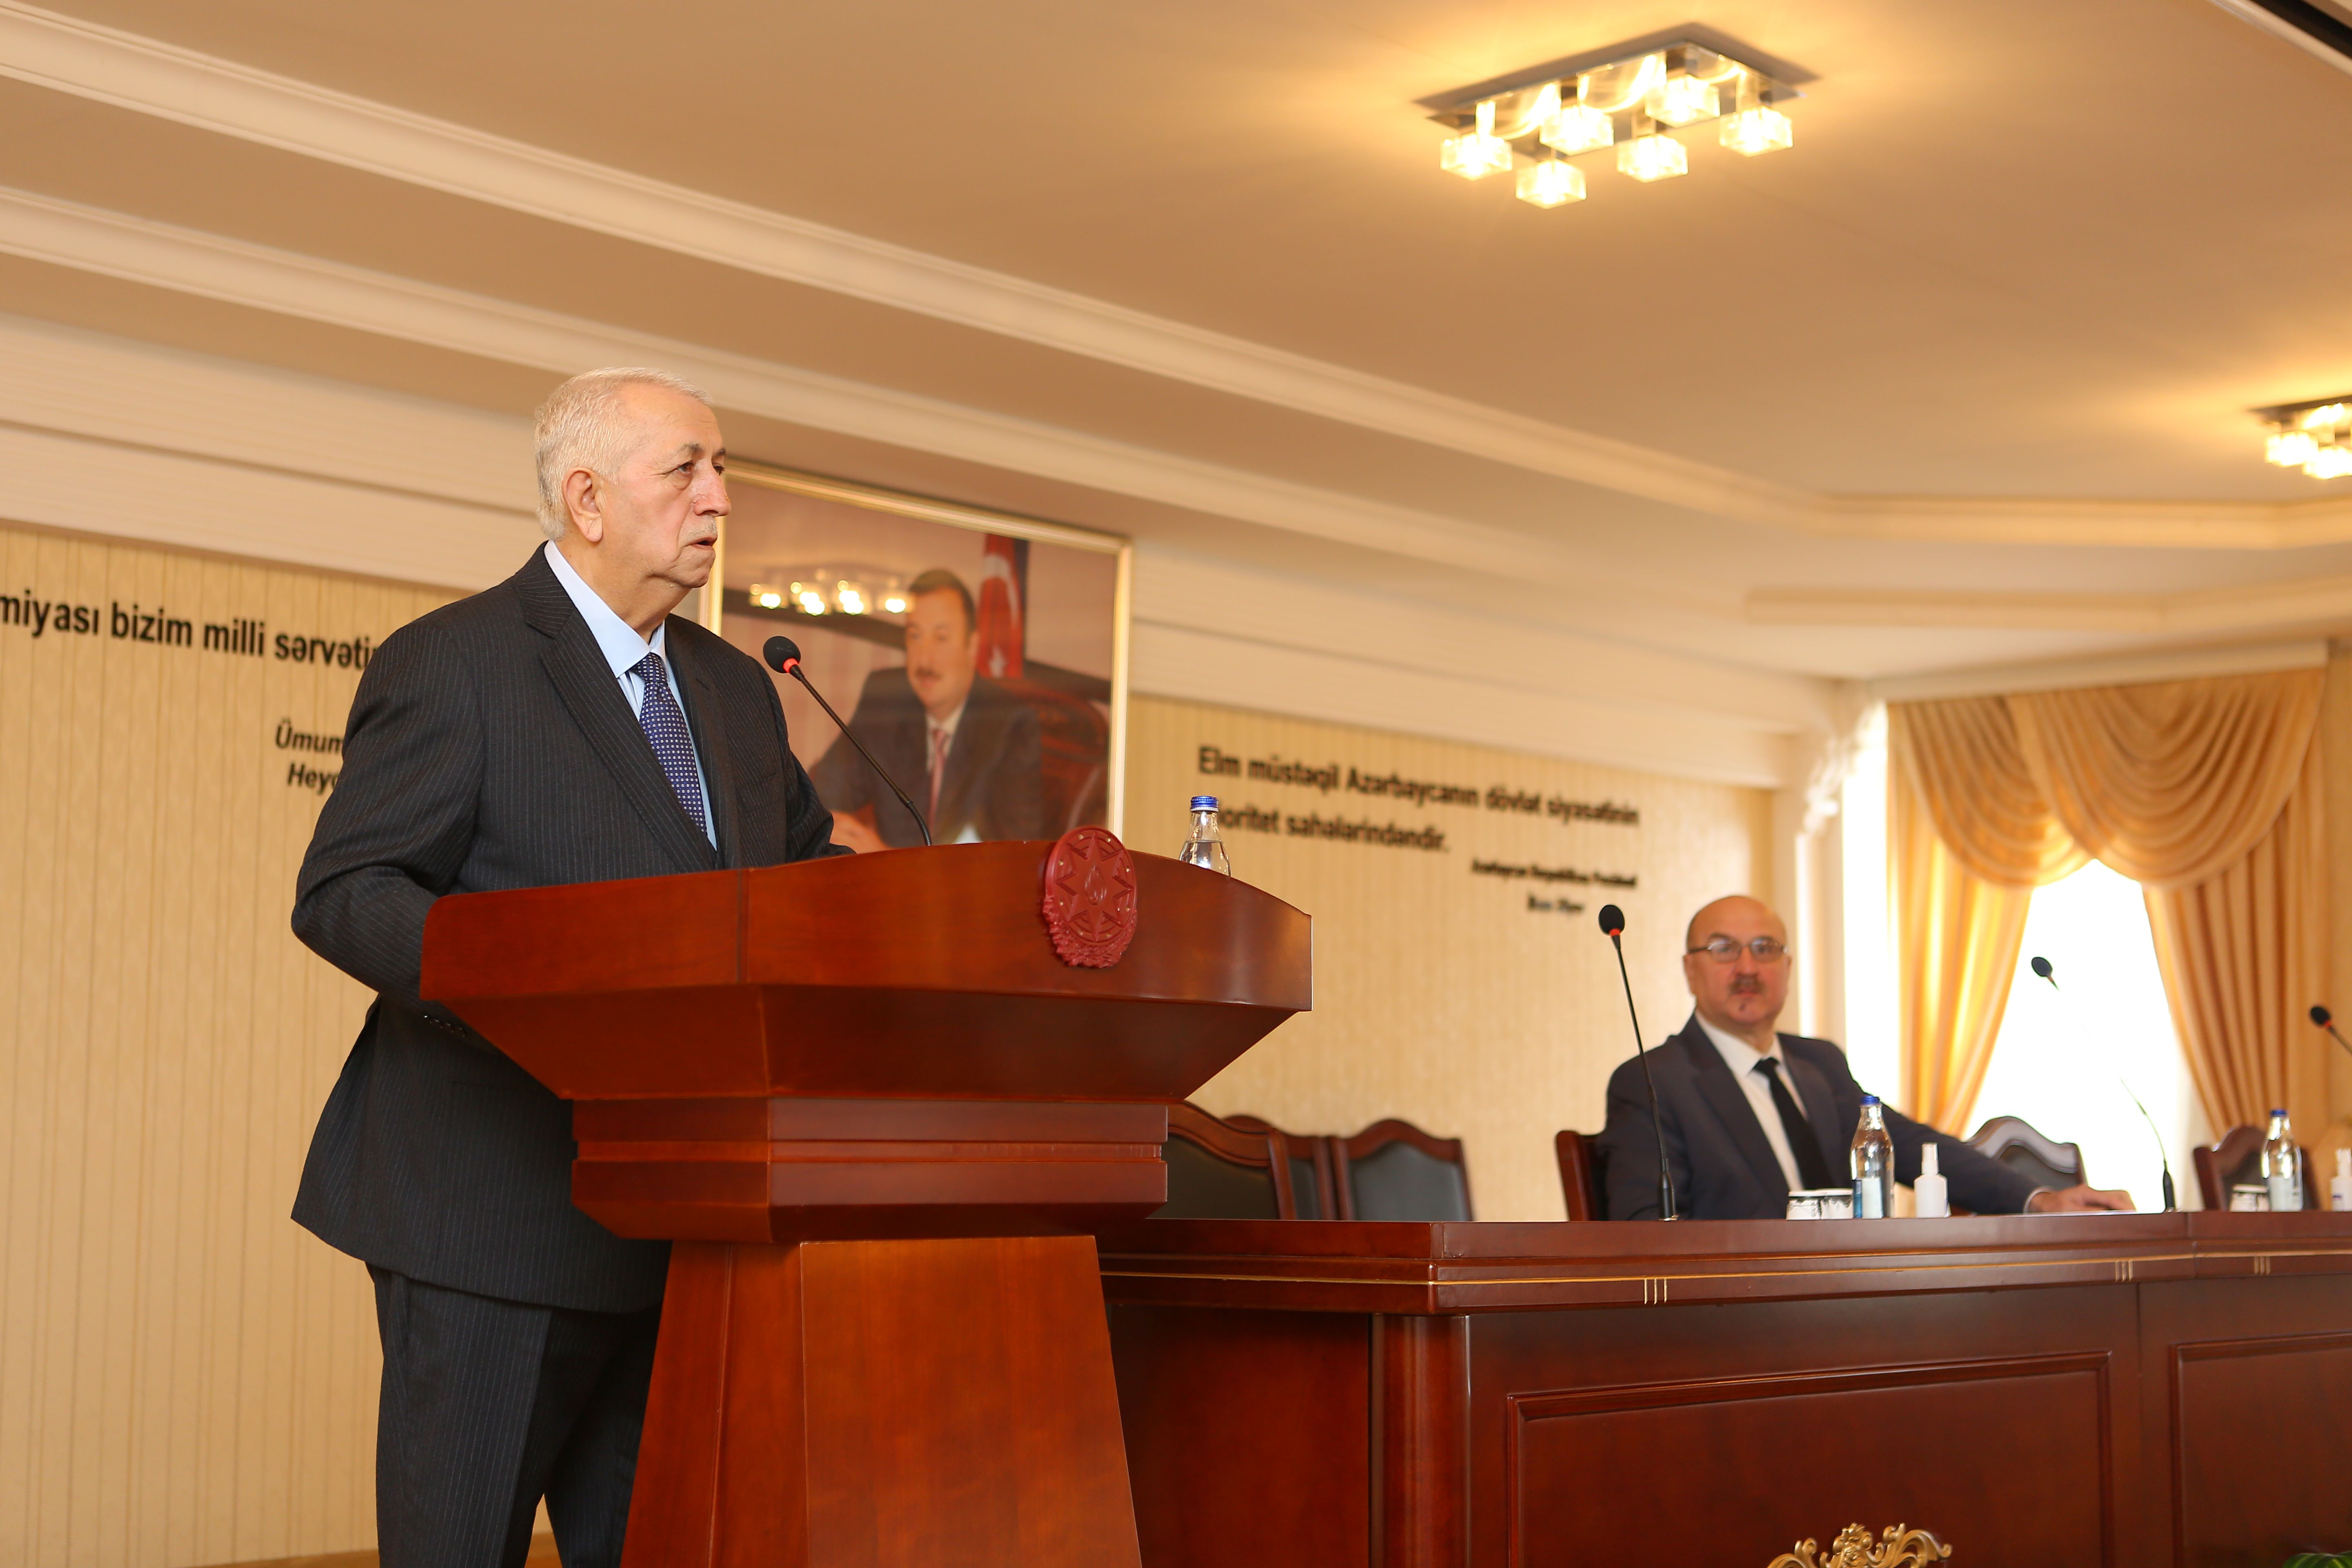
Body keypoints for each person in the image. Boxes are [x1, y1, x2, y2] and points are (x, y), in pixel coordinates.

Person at [289, 368, 844, 1568]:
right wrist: (535, 994)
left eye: (721, 468)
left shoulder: (736, 690)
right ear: (587, 499)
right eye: (687, 468)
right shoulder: (456, 662)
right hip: (491, 1217)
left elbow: (807, 881)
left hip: (686, 1223)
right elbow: (349, 891)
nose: (719, 497)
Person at [1598, 894, 2136, 1221]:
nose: (1747, 967)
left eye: (1765, 949)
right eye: (1723, 949)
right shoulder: (1652, 1083)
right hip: (1738, 1324)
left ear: (1787, 968)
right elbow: (1645, 1231)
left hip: (1856, 1300)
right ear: (1689, 970)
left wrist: (2038, 1200)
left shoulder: (1819, 1063)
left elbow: (1915, 1146)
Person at [813, 568, 1043, 849]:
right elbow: (824, 793)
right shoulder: (888, 699)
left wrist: (885, 858)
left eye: (941, 638)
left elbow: (1015, 854)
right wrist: (838, 827)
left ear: (972, 647)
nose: (925, 660)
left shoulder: (1008, 723)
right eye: (915, 636)